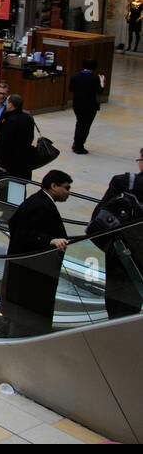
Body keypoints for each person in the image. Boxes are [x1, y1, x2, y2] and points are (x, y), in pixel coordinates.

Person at [0, 170, 72, 337]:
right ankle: (26, 334)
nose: (68, 192)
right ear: (53, 186)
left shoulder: (40, 201)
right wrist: (49, 240)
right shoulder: (39, 205)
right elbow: (22, 232)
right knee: (28, 307)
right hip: (31, 269)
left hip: (29, 267)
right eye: (66, 188)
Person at [92, 151, 143, 318]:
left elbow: (97, 218)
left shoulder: (123, 183)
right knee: (135, 297)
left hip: (120, 250)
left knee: (118, 301)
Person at [0, 93, 36, 180]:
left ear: (11, 104)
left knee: (9, 186)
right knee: (20, 185)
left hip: (11, 163)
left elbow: (6, 143)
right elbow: (30, 137)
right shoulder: (28, 117)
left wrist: (3, 164)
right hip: (24, 160)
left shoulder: (11, 120)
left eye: (7, 102)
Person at [68, 57, 104, 154]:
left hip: (77, 104)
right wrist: (102, 82)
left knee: (79, 123)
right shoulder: (94, 78)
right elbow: (99, 91)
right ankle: (79, 146)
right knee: (85, 126)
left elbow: (71, 89)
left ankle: (76, 143)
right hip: (90, 105)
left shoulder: (75, 76)